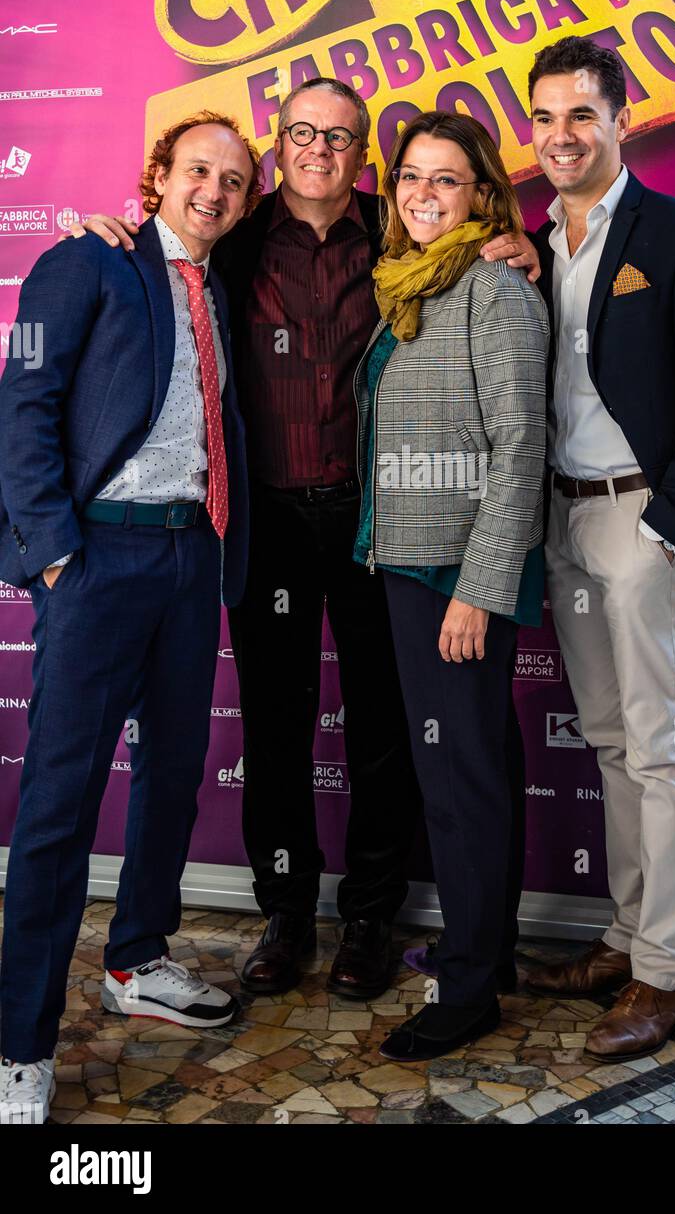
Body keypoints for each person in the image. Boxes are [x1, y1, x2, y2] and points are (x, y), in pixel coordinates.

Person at [75, 79, 541, 1001]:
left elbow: (497, 311)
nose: (318, 149)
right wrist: (110, 232)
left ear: (364, 156)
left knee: (384, 729)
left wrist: (524, 249)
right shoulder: (233, 241)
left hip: (380, 526)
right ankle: (286, 914)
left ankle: (371, 916)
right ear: (278, 146)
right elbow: (155, 256)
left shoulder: (405, 233)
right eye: (300, 132)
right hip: (270, 522)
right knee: (277, 728)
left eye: (339, 136)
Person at [0, 113, 260, 1123]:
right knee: (60, 803)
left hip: (192, 553)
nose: (214, 191)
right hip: (99, 558)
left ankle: (137, 957)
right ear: (157, 175)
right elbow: (20, 407)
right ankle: (20, 1042)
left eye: (234, 181)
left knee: (172, 771)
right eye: (198, 170)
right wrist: (57, 553)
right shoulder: (85, 261)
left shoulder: (218, 289)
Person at [522, 37, 675, 1061]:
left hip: (641, 522)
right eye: (542, 118)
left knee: (659, 744)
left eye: (580, 115)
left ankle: (663, 970)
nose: (559, 136)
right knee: (611, 739)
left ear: (620, 119)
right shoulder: (525, 247)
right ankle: (624, 939)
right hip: (561, 520)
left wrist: (667, 526)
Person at [353, 111, 549, 1061]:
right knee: (476, 766)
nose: (426, 196)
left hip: (453, 574)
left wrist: (479, 588)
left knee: (457, 781)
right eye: (412, 180)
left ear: (483, 195)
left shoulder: (494, 291)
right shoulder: (412, 287)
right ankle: (489, 950)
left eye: (448, 181)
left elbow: (520, 449)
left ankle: (467, 989)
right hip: (410, 560)